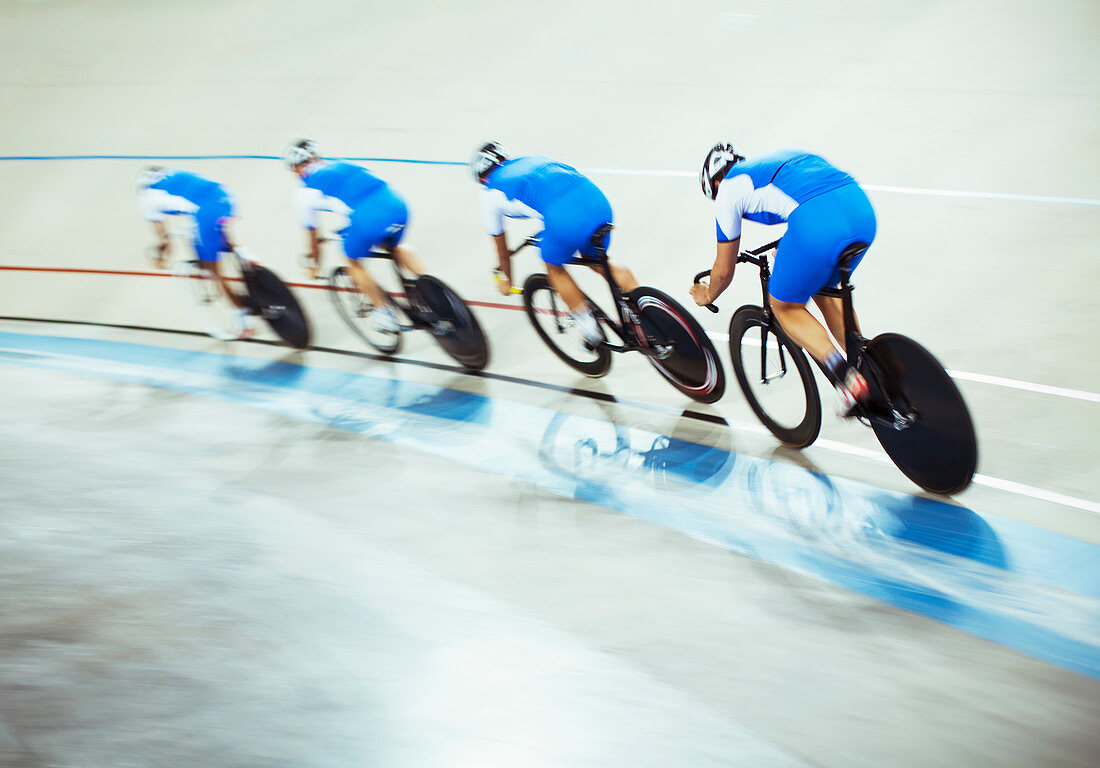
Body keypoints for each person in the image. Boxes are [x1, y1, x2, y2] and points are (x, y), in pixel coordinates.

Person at [690, 145, 876, 414]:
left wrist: (707, 295)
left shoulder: (728, 189)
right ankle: (867, 367)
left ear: (715, 182)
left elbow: (723, 271)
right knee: (825, 289)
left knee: (785, 307)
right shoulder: (778, 159)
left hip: (817, 225)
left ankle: (846, 379)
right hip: (861, 211)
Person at [469, 142, 638, 347]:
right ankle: (650, 310)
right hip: (598, 204)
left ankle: (590, 328)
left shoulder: (488, 193)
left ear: (482, 177)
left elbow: (502, 250)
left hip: (565, 220)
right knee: (600, 263)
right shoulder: (530, 159)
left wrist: (507, 281)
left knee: (553, 266)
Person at [283, 139, 425, 332]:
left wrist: (314, 266)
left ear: (295, 169)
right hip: (397, 204)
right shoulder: (345, 163)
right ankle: (431, 291)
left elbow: (313, 238)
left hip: (367, 219)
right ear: (318, 157)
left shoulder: (302, 194)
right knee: (393, 246)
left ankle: (384, 314)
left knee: (352, 262)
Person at [136, 166, 256, 337]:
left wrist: (160, 257)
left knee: (213, 270)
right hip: (226, 196)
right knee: (222, 239)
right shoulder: (174, 173)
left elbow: (165, 241)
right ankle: (246, 257)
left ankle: (244, 323)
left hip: (204, 213)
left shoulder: (145, 198)